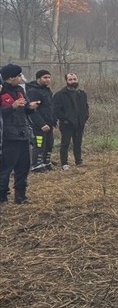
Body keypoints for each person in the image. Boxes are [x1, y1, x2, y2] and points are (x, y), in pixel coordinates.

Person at [1, 64, 35, 204]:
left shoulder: (20, 90)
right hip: (8, 136)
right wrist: (12, 107)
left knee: (24, 166)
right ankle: (2, 196)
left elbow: (25, 109)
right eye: (19, 75)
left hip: (23, 133)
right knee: (6, 167)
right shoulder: (2, 92)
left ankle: (20, 195)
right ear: (10, 78)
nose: (21, 78)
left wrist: (31, 108)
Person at [53, 72, 89, 168]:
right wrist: (64, 119)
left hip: (79, 123)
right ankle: (64, 163)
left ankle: (78, 161)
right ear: (66, 81)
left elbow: (85, 107)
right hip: (67, 124)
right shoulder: (60, 94)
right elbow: (56, 110)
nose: (73, 81)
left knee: (78, 143)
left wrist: (85, 117)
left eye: (74, 79)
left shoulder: (82, 94)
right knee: (65, 143)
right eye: (70, 79)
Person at [27, 70, 56, 172]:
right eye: (45, 77)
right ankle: (36, 165)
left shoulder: (47, 91)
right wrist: (41, 124)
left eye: (49, 77)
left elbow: (51, 107)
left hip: (49, 124)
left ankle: (46, 163)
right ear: (38, 78)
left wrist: (54, 121)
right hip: (39, 125)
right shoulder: (33, 91)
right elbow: (32, 111)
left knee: (49, 144)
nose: (47, 79)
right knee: (39, 144)